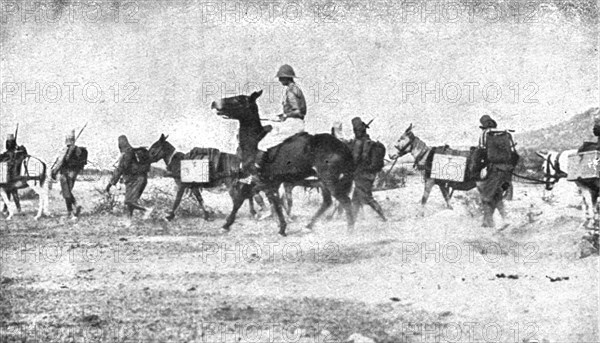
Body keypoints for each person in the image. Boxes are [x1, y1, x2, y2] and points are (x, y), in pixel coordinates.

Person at [243, 64, 307, 184]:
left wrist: (285, 115)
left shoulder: (291, 91)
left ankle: (256, 174)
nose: (279, 80)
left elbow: (297, 110)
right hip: (296, 122)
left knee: (263, 143)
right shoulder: (296, 89)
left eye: (281, 77)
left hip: (293, 123)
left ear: (287, 78)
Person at [105, 135, 153, 226]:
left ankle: (147, 210)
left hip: (135, 180)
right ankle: (128, 223)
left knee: (129, 202)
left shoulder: (126, 154)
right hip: (140, 179)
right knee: (130, 203)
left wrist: (110, 184)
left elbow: (120, 169)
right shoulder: (133, 152)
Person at [349, 117, 386, 221]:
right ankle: (352, 222)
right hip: (368, 175)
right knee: (355, 200)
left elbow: (355, 160)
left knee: (368, 198)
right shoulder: (369, 142)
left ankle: (384, 218)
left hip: (362, 175)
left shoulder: (359, 143)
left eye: (355, 130)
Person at [51, 130, 84, 220]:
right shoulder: (78, 149)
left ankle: (71, 212)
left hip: (65, 173)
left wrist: (54, 171)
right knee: (68, 192)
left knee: (66, 192)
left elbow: (61, 161)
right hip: (74, 174)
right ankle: (75, 206)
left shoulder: (66, 149)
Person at [0, 133, 28, 213]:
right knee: (9, 191)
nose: (9, 143)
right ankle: (8, 208)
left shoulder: (17, 151)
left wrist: (18, 147)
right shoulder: (10, 153)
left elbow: (24, 155)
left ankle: (16, 209)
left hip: (12, 176)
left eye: (10, 142)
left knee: (11, 191)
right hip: (10, 176)